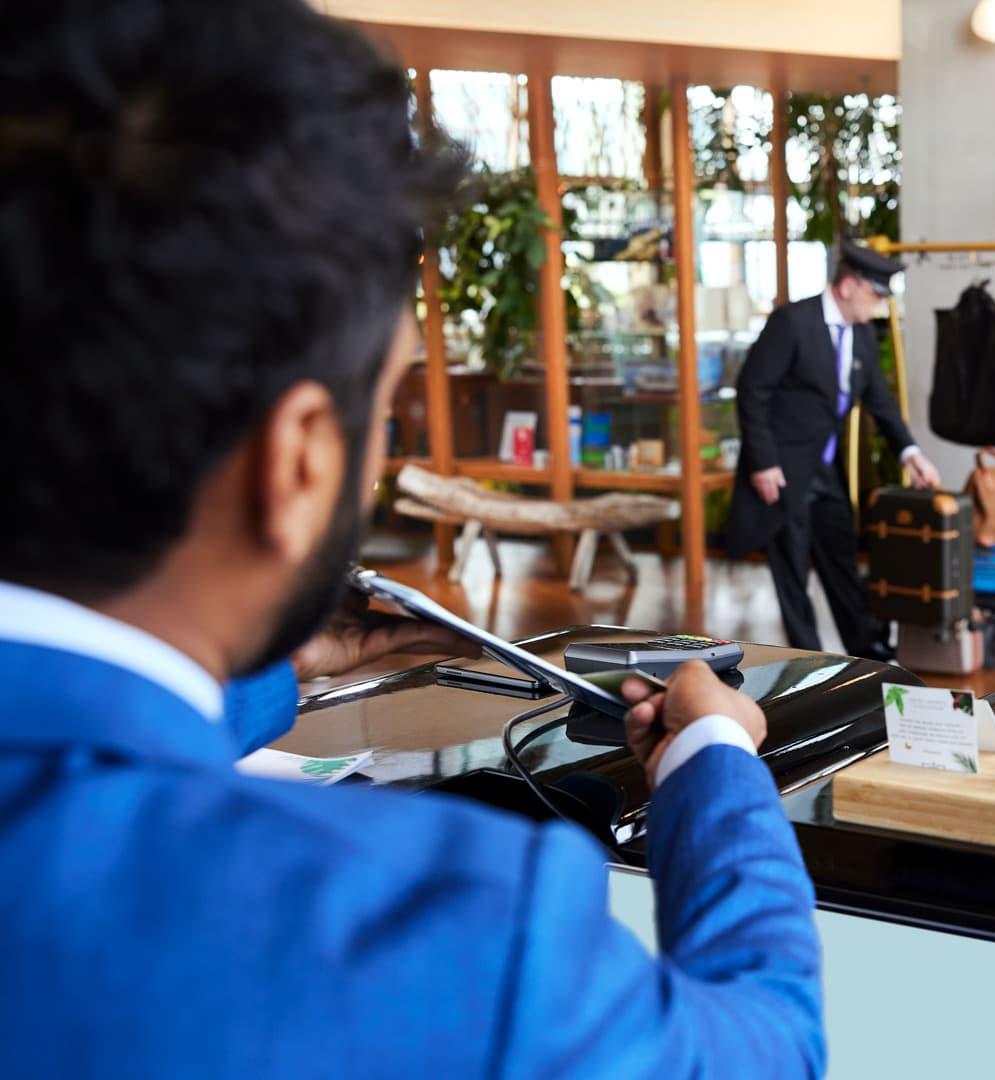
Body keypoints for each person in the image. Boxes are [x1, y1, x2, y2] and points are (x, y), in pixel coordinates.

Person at [0, 2, 824, 1074]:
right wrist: (715, 760)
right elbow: (765, 1050)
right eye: (384, 412)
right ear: (299, 459)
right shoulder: (436, 934)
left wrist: (266, 660)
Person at [728, 242, 942, 659]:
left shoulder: (861, 334)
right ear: (848, 286)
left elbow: (879, 401)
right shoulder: (793, 322)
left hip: (826, 470)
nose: (880, 305)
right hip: (784, 470)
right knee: (793, 572)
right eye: (875, 295)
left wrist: (910, 453)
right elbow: (752, 391)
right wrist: (763, 463)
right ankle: (808, 662)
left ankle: (868, 654)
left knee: (842, 558)